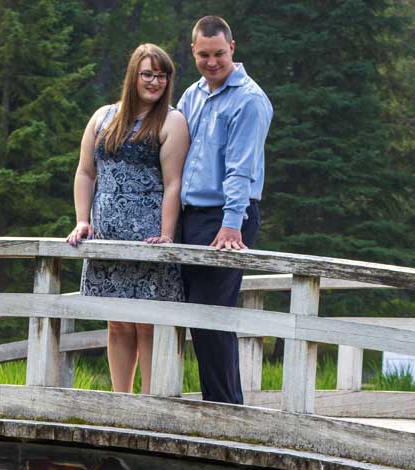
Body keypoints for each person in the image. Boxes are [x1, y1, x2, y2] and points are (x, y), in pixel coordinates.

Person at [67, 44, 189, 394]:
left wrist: (167, 233)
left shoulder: (172, 120)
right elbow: (86, 173)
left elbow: (173, 183)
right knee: (118, 322)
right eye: (147, 74)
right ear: (133, 75)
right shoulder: (103, 117)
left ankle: (147, 403)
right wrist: (81, 220)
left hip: (148, 234)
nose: (155, 82)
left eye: (162, 75)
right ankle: (120, 400)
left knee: (147, 323)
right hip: (107, 234)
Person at [178, 15, 273, 404]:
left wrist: (232, 225)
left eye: (219, 53)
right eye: (204, 55)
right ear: (193, 52)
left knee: (212, 319)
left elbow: (240, 169)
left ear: (232, 48)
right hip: (189, 217)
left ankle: (225, 410)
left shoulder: (249, 99)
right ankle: (213, 403)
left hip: (227, 218)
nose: (212, 62)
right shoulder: (191, 95)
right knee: (190, 318)